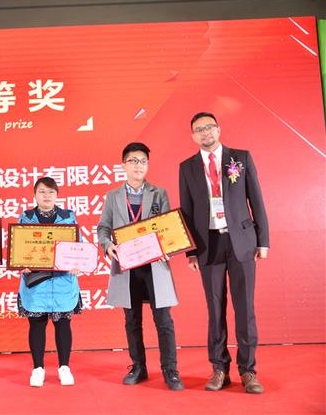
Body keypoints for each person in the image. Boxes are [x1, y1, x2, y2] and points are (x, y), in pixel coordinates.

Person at [179, 112, 269, 394]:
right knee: (215, 309)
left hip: (242, 241)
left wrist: (263, 241)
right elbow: (187, 211)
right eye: (199, 129)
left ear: (218, 129)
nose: (205, 132)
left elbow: (256, 199)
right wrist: (191, 252)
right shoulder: (187, 167)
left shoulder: (240, 158)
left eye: (209, 127)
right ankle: (219, 369)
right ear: (193, 136)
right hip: (209, 245)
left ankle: (248, 370)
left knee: (245, 308)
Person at [96, 142, 184, 391]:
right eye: (133, 161)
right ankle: (138, 367)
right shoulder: (113, 196)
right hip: (127, 266)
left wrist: (167, 246)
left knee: (163, 320)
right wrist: (107, 245)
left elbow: (167, 226)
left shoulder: (159, 193)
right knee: (132, 320)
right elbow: (103, 227)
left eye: (143, 161)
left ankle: (170, 370)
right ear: (123, 165)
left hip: (155, 265)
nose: (138, 166)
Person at [17, 177, 82, 387]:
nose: (46, 196)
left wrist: (76, 262)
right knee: (36, 324)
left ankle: (64, 367)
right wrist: (21, 263)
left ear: (57, 195)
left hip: (62, 280)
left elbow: (78, 245)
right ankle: (38, 369)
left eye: (51, 192)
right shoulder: (26, 217)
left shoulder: (68, 217)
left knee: (63, 324)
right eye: (42, 192)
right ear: (34, 195)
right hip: (36, 282)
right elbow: (18, 246)